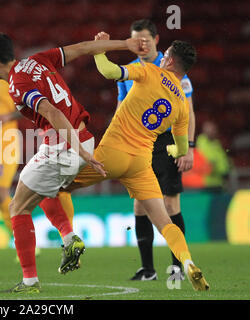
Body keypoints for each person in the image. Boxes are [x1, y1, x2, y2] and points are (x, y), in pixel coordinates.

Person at [0, 32, 147, 293]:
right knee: (43, 189)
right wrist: (125, 44)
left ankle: (30, 281)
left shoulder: (17, 84)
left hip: (66, 145)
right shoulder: (37, 60)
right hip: (80, 138)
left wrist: (81, 152)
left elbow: (52, 112)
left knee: (17, 208)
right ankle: (69, 238)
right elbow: (84, 48)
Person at [61, 32, 209, 291]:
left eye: (166, 54)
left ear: (171, 61)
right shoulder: (182, 106)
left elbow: (108, 71)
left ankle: (69, 241)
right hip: (142, 163)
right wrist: (175, 152)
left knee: (60, 187)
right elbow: (181, 146)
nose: (162, 56)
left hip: (113, 154)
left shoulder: (149, 71)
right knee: (165, 222)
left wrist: (99, 49)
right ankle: (187, 262)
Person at [0, 37, 75, 239]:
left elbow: (26, 104)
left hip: (6, 140)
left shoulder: (4, 78)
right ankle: (19, 233)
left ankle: (23, 235)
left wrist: (7, 116)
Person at [116, 19, 197, 281]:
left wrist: (188, 148)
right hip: (139, 142)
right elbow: (121, 109)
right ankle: (147, 269)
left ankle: (178, 267)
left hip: (168, 141)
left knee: (170, 202)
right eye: (136, 41)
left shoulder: (174, 68)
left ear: (156, 40)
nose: (141, 45)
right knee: (140, 204)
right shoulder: (128, 71)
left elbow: (188, 111)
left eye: (145, 40)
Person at [196, 120, 231, 192]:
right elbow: (209, 161)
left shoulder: (216, 143)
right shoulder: (202, 142)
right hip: (208, 183)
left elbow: (222, 159)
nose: (214, 131)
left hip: (219, 181)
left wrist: (226, 168)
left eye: (214, 129)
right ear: (205, 130)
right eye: (211, 129)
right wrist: (218, 167)